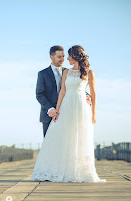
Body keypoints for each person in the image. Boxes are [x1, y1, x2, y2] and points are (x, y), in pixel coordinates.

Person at [31, 45, 106, 183]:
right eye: (60, 57)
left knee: (77, 138)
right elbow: (56, 93)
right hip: (59, 110)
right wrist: (55, 110)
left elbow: (89, 92)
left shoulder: (85, 72)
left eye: (66, 56)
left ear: (75, 56)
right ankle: (53, 171)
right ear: (51, 57)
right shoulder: (45, 74)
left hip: (80, 108)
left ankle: (75, 171)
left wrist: (92, 109)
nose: (64, 59)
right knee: (56, 141)